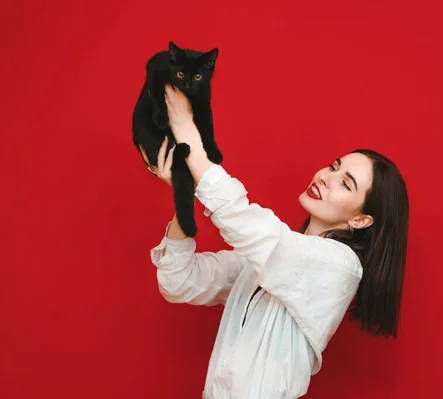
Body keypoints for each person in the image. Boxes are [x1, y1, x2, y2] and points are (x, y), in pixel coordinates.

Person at [140, 85, 410, 398]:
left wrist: (187, 131)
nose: (326, 176)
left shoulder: (339, 267)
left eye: (345, 184)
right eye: (335, 167)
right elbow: (179, 281)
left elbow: (248, 225)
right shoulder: (269, 261)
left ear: (361, 220)